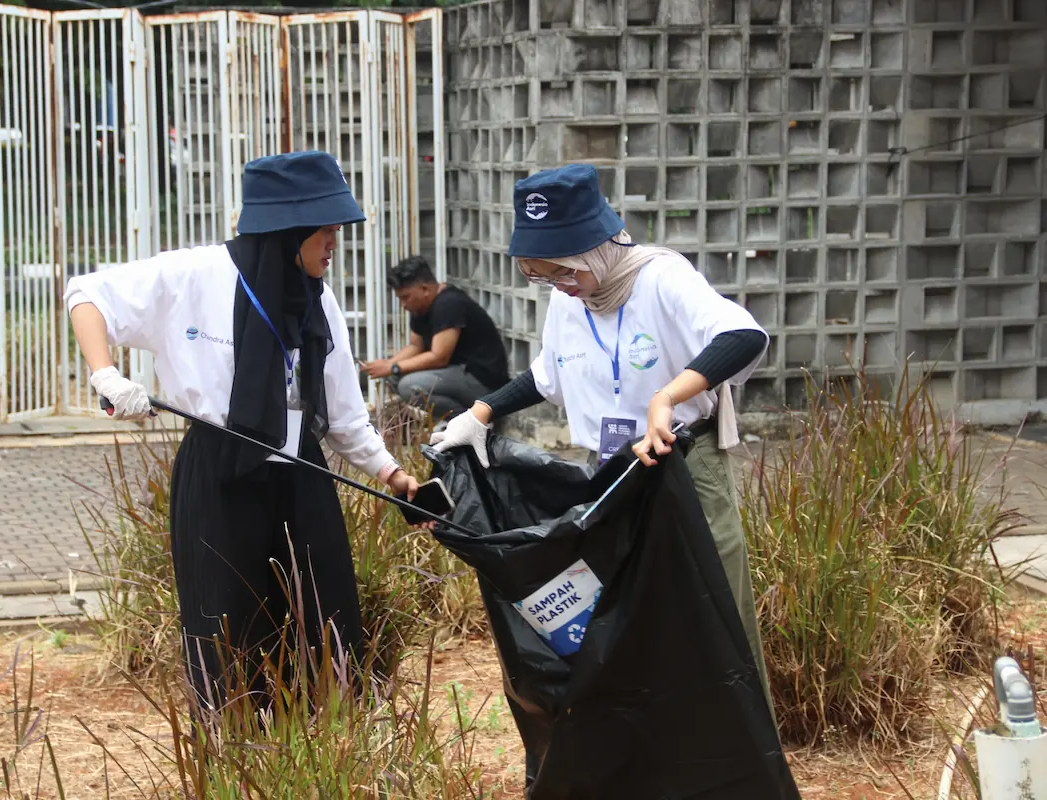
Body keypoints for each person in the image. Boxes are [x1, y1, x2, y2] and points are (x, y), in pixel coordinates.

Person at [64, 150, 420, 711]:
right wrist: (105, 372)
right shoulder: (192, 275)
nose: (334, 243)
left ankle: (324, 751)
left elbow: (344, 412)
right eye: (325, 230)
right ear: (288, 229)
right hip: (220, 472)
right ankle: (238, 753)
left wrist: (391, 472)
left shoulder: (317, 297)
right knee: (227, 622)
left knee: (323, 617)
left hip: (301, 472)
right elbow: (87, 295)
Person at [429, 163, 776, 723]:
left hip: (683, 467)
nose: (559, 285)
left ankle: (737, 747)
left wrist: (665, 398)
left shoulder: (662, 278)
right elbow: (548, 374)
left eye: (564, 271)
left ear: (596, 245)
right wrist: (481, 413)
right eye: (543, 277)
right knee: (628, 617)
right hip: (610, 475)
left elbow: (742, 335)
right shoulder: (571, 299)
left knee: (713, 614)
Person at [360, 254, 509, 419]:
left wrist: (393, 367)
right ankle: (463, 420)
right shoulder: (420, 307)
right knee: (394, 379)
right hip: (457, 373)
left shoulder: (448, 304)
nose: (403, 304)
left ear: (424, 289)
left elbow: (439, 357)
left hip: (482, 381)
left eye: (405, 297)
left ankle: (471, 422)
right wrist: (387, 365)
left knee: (408, 386)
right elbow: (415, 346)